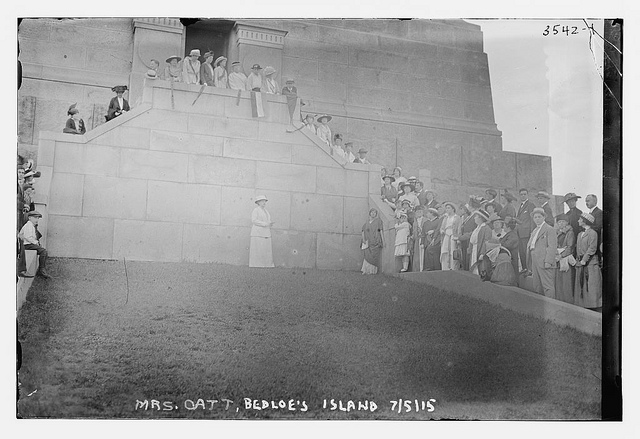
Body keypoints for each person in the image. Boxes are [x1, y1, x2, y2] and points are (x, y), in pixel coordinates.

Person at [526, 207, 558, 298]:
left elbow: (552, 246)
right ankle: (541, 306)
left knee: (547, 285)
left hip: (544, 260)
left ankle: (550, 306)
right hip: (534, 259)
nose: (537, 219)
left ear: (544, 217)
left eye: (539, 217)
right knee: (537, 284)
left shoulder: (549, 229)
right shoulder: (535, 230)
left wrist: (548, 261)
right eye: (535, 217)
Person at [574, 213, 602, 309]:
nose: (578, 221)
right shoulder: (580, 234)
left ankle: (593, 305)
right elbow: (578, 249)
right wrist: (579, 260)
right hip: (581, 262)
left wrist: (584, 260)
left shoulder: (592, 233)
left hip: (590, 263)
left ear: (585, 221)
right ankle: (583, 304)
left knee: (591, 284)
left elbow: (592, 248)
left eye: (580, 219)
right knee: (582, 284)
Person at [18, 210, 51, 278]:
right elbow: (28, 237)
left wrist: (37, 243)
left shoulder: (32, 225)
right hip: (26, 245)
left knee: (43, 251)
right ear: (29, 218)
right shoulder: (28, 225)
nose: (37, 219)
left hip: (29, 244)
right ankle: (41, 270)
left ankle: (41, 269)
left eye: (38, 218)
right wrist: (36, 243)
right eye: (35, 217)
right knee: (43, 251)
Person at [554, 213, 576, 304]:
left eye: (562, 222)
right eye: (559, 222)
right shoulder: (558, 232)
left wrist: (561, 256)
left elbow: (570, 247)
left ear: (567, 222)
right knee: (559, 281)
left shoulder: (570, 233)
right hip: (558, 259)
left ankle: (567, 301)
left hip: (565, 260)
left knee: (566, 281)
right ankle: (560, 300)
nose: (560, 224)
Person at [249, 195, 274, 268]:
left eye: (265, 201)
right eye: (262, 201)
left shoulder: (266, 211)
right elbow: (254, 220)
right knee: (257, 249)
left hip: (266, 233)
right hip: (257, 233)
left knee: (266, 249)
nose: (264, 202)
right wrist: (265, 224)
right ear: (258, 202)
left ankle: (266, 265)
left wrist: (269, 224)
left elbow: (267, 220)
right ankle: (256, 265)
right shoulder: (256, 210)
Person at [515, 188, 536, 273]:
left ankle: (529, 269)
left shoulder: (530, 205)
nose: (523, 196)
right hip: (520, 233)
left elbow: (532, 219)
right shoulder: (521, 206)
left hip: (527, 233)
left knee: (527, 252)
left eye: (524, 194)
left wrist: (532, 232)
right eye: (521, 194)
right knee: (522, 252)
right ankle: (524, 268)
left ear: (527, 195)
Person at [361, 208, 384, 274]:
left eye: (374, 212)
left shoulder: (378, 221)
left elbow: (380, 230)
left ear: (376, 214)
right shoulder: (367, 222)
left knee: (374, 256)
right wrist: (363, 239)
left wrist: (383, 240)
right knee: (367, 255)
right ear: (370, 213)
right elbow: (363, 231)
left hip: (375, 241)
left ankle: (372, 271)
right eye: (372, 212)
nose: (373, 213)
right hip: (368, 241)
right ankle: (366, 270)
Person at [440, 202, 461, 271]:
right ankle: (445, 267)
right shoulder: (445, 218)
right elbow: (442, 227)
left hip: (453, 236)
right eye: (446, 208)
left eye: (448, 208)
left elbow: (459, 228)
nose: (447, 209)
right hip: (446, 235)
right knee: (445, 251)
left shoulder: (457, 217)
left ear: (453, 209)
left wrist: (458, 238)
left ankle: (453, 267)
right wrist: (442, 231)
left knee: (453, 251)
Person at [469, 209, 491, 275]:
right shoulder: (477, 228)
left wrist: (482, 253)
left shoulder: (486, 228)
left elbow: (486, 242)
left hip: (480, 250)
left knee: (480, 268)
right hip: (474, 250)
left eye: (476, 216)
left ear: (481, 218)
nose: (474, 218)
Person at [457, 202, 477, 271]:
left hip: (469, 239)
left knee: (468, 255)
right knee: (464, 255)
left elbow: (474, 229)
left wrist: (465, 236)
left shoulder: (474, 217)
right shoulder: (465, 218)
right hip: (464, 240)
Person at [585, 194, 603, 260]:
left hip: (596, 241)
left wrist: (588, 227)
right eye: (586, 201)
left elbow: (598, 227)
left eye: (588, 201)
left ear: (595, 202)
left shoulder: (599, 212)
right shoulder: (590, 213)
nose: (586, 203)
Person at [411, 206, 426, 272]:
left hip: (423, 238)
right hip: (417, 239)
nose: (419, 213)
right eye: (417, 212)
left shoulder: (425, 219)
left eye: (420, 211)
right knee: (417, 255)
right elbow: (414, 232)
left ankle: (422, 268)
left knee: (423, 254)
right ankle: (417, 269)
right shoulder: (415, 222)